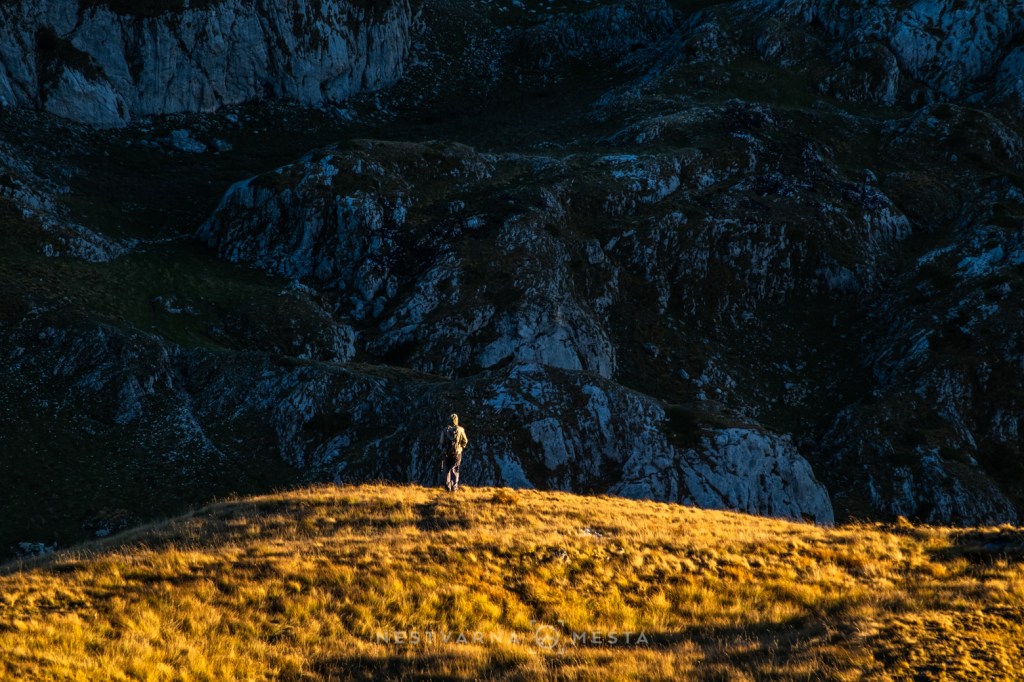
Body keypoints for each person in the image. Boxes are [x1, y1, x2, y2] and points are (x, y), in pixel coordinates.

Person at [439, 413, 469, 492]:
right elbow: (465, 441)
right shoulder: (461, 430)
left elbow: (441, 442)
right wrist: (461, 447)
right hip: (457, 453)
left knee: (447, 470)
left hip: (447, 453)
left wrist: (443, 450)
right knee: (455, 469)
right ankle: (454, 488)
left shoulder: (445, 430)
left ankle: (447, 487)